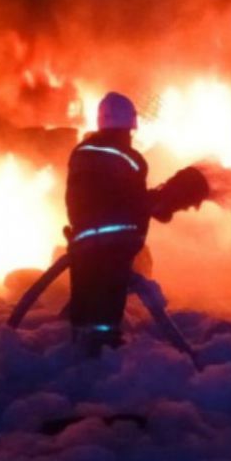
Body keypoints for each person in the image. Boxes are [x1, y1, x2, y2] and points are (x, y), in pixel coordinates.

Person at [65, 91, 151, 354]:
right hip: (116, 243)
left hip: (81, 241)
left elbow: (73, 196)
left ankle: (75, 353)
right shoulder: (132, 159)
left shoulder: (80, 152)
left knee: (84, 299)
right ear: (129, 125)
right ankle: (104, 353)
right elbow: (137, 204)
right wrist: (138, 239)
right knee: (107, 306)